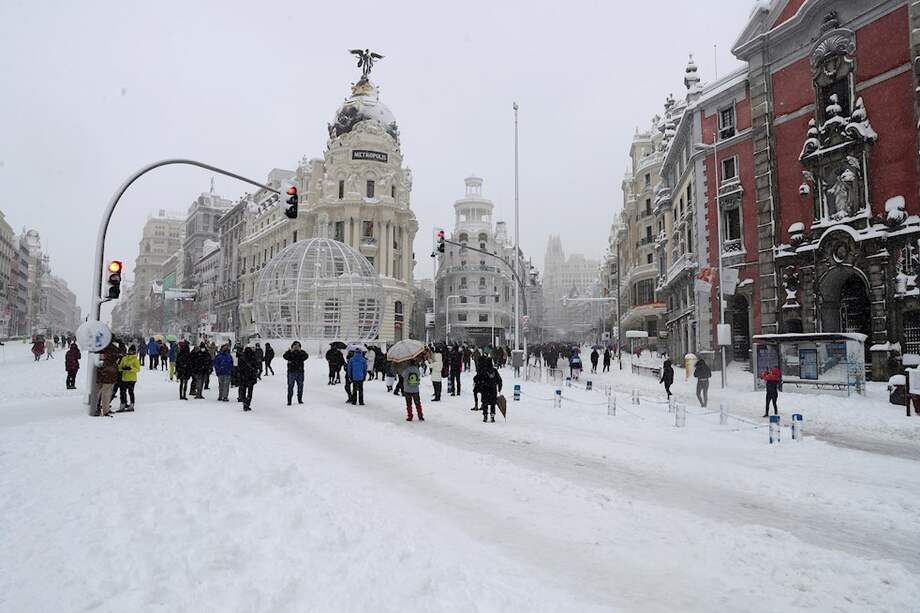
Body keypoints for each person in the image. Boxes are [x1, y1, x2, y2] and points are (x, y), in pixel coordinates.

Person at [474, 357, 503, 423]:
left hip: (485, 390)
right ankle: (492, 416)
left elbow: (476, 379)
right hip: (493, 390)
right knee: (493, 403)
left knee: (485, 403)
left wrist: (479, 383)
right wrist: (499, 388)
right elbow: (499, 380)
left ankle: (485, 416)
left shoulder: (483, 371)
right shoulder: (494, 371)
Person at [96, 342, 121, 416]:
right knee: (106, 394)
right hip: (108, 376)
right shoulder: (112, 351)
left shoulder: (102, 349)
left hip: (103, 375)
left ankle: (98, 408)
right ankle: (105, 410)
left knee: (101, 393)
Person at [283, 341, 309, 405]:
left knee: (300, 386)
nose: (296, 347)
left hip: (300, 372)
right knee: (290, 386)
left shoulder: (301, 352)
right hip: (291, 372)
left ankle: (300, 399)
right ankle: (289, 400)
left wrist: (300, 351)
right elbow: (285, 356)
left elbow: (306, 356)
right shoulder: (289, 352)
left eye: (298, 346)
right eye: (295, 346)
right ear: (292, 346)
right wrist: (290, 351)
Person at [117, 345, 141, 411]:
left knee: (130, 392)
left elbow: (138, 369)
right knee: (122, 392)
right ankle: (123, 405)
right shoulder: (124, 358)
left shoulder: (135, 359)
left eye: (131, 351)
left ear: (134, 351)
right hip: (124, 378)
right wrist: (122, 368)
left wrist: (130, 368)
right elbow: (120, 367)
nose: (130, 352)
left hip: (132, 379)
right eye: (129, 350)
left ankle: (131, 405)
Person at [238, 346, 260, 411]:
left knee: (243, 391)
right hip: (251, 377)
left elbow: (239, 369)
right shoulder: (253, 358)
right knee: (250, 392)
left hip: (243, 377)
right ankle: (247, 403)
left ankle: (244, 402)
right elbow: (257, 367)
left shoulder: (241, 358)